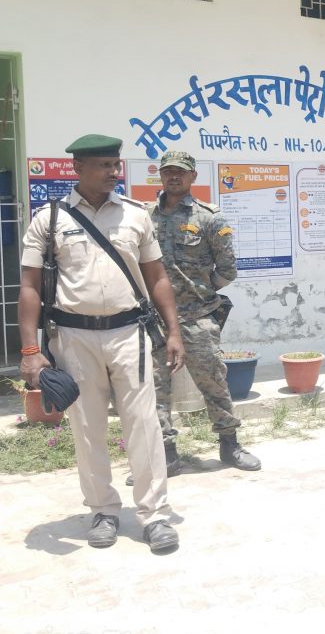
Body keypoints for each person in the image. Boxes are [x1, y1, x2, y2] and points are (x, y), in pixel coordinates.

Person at [18, 134, 185, 554]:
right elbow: (30, 287)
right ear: (78, 168)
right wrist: (30, 351)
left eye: (116, 164)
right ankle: (103, 510)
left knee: (144, 423)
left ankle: (154, 515)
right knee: (87, 426)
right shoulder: (49, 219)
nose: (114, 172)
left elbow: (157, 277)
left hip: (129, 333)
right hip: (73, 336)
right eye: (104, 165)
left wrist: (174, 331)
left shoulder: (135, 215)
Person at [126, 150, 259, 486]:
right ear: (160, 175)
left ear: (192, 177)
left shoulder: (209, 218)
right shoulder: (144, 217)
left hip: (197, 316)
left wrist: (200, 290)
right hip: (154, 320)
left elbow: (227, 270)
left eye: (181, 172)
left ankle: (229, 445)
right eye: (168, 171)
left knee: (214, 382)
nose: (174, 177)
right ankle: (166, 455)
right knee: (155, 388)